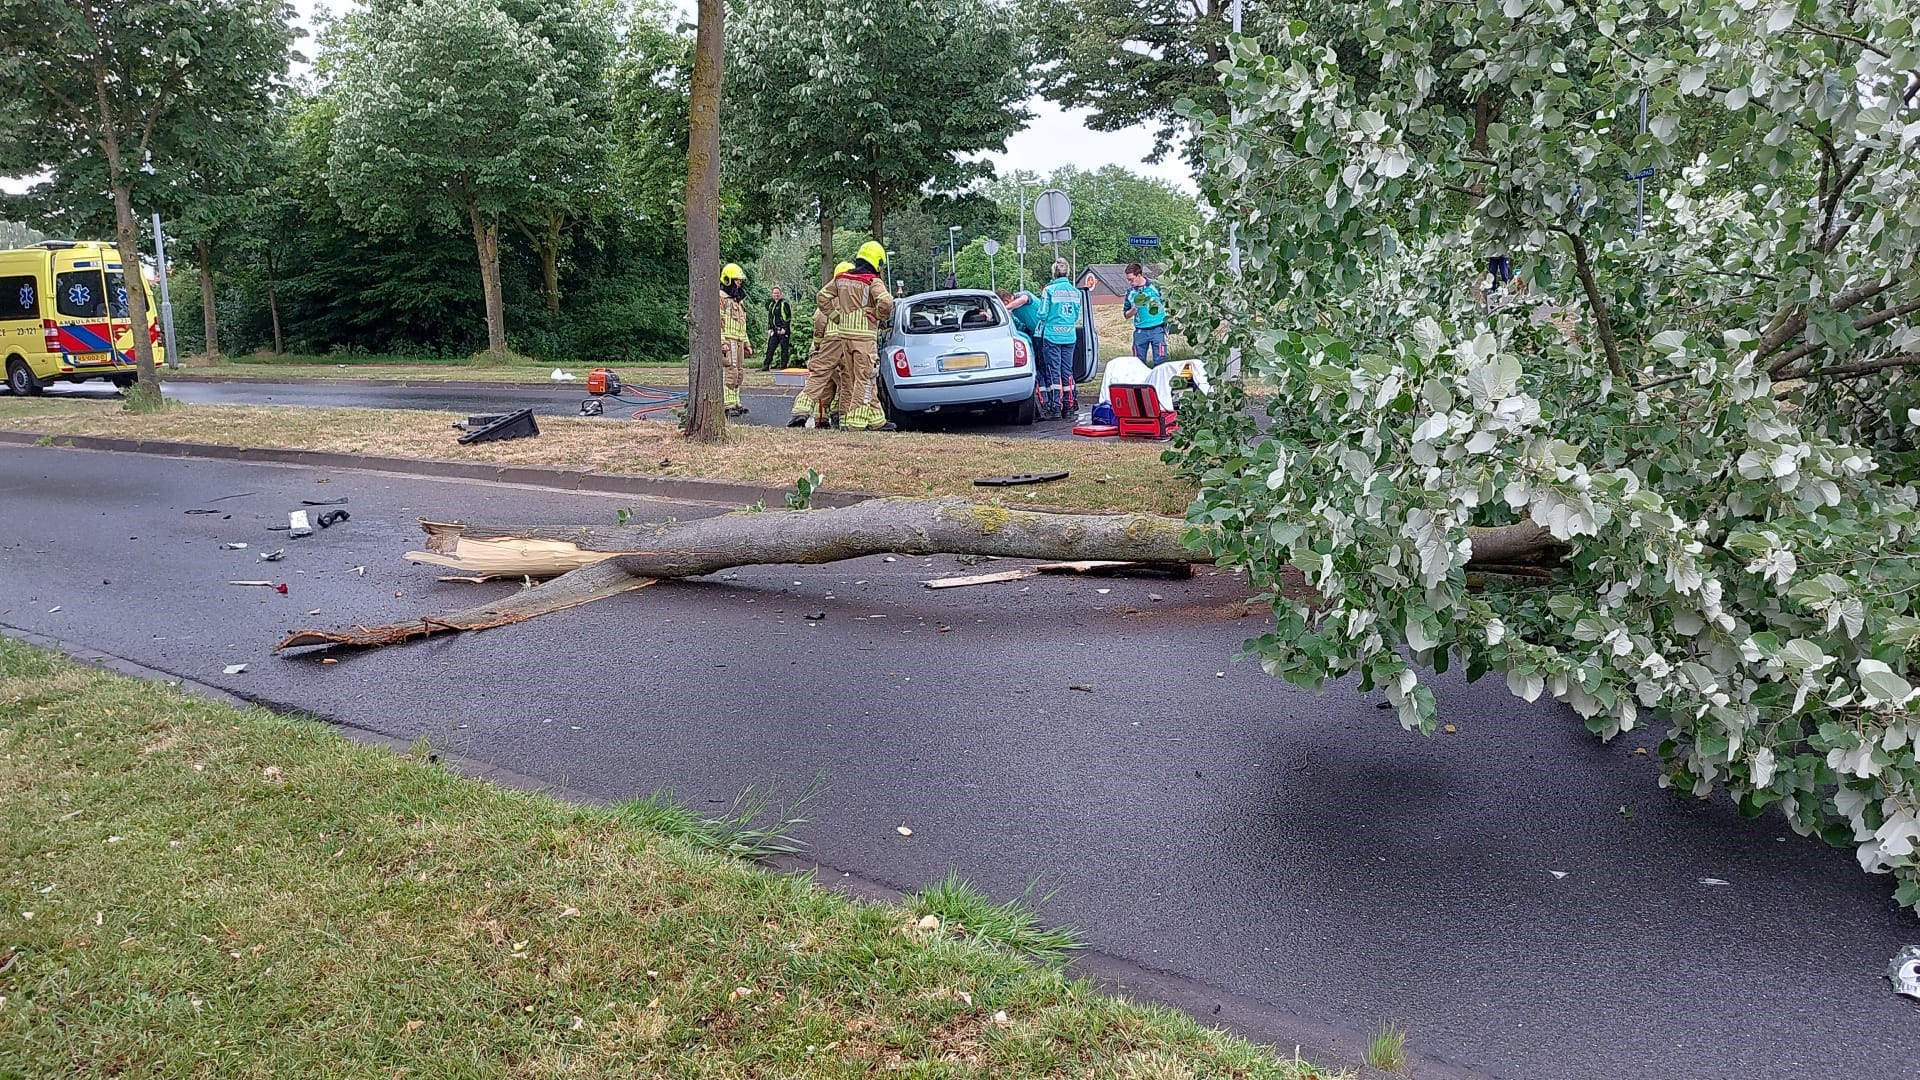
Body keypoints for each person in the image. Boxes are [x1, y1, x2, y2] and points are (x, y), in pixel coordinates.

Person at [793, 244, 895, 431]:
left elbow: (822, 297)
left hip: (844, 336)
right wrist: (878, 315)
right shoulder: (872, 281)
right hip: (864, 338)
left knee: (847, 378)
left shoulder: (841, 279)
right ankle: (855, 423)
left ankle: (877, 420)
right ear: (876, 261)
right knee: (863, 379)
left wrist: (835, 316)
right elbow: (887, 302)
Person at [791, 262, 853, 427]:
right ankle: (844, 419)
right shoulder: (855, 299)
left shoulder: (830, 299)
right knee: (847, 383)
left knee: (820, 379)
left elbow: (820, 320)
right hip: (848, 343)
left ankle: (803, 411)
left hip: (829, 344)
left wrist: (817, 344)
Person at [1032, 257, 1082, 420]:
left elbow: (1042, 313)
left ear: (1054, 272)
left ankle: (1056, 406)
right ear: (1067, 272)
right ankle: (1069, 405)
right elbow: (1075, 315)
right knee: (1067, 370)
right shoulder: (1076, 292)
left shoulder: (1049, 290)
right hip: (1069, 335)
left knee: (1054, 371)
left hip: (1052, 336)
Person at [719, 263, 752, 416]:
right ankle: (728, 405)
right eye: (737, 280)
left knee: (739, 372)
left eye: (740, 280)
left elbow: (742, 324)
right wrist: (722, 342)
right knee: (731, 371)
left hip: (739, 340)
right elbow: (717, 321)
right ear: (728, 280)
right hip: (728, 340)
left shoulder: (739, 300)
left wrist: (746, 343)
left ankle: (736, 402)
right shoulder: (721, 297)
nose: (739, 283)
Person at [1122, 262, 1169, 367]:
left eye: (1131, 279)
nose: (1130, 282)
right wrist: (1133, 310)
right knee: (1138, 362)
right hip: (1140, 331)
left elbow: (1168, 302)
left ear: (1139, 276)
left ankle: (1159, 382)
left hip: (1157, 328)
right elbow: (1126, 314)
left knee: (1160, 361)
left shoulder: (1156, 286)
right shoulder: (1130, 292)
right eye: (1128, 280)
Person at [763, 286, 793, 371]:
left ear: (780, 294)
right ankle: (766, 366)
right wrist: (769, 328)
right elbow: (770, 317)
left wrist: (785, 328)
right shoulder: (771, 304)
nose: (776, 295)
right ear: (772, 294)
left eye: (777, 293)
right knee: (770, 348)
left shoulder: (784, 303)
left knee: (784, 349)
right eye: (774, 293)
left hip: (783, 330)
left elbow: (788, 317)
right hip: (774, 330)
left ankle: (783, 366)